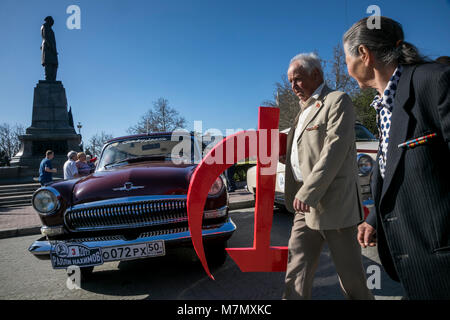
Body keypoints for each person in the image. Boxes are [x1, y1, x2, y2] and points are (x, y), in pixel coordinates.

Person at [343, 16, 450, 299]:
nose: (347, 69)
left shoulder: (435, 81)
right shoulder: (384, 105)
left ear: (364, 54)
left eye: (346, 59)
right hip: (413, 265)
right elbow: (395, 172)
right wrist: (375, 219)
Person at [283, 52, 374, 300]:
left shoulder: (337, 101)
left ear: (316, 75)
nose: (293, 87)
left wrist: (308, 192)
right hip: (304, 207)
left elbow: (334, 149)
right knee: (296, 273)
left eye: (298, 79)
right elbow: (301, 153)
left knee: (352, 281)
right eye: (290, 81)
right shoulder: (301, 112)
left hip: (335, 205)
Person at [40, 16, 58, 81]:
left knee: (54, 64)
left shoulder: (50, 29)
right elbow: (45, 37)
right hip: (48, 48)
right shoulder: (45, 26)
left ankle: (52, 79)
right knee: (48, 63)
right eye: (52, 20)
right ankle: (48, 79)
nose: (53, 22)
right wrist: (51, 47)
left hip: (52, 49)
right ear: (49, 20)